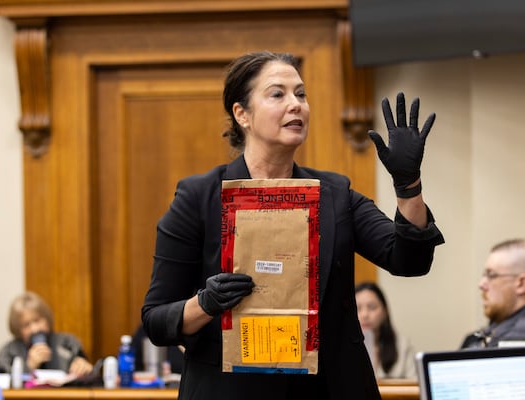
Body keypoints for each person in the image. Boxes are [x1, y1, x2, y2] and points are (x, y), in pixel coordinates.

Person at [141, 51, 444, 400]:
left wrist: (408, 186)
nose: (296, 104)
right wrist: (206, 303)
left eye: (300, 94)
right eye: (277, 94)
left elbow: (410, 261)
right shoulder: (199, 197)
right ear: (242, 114)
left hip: (329, 388)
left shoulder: (335, 195)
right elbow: (157, 320)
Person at [460, 239, 525, 349]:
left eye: (492, 275)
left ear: (521, 284)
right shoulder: (490, 334)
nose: (481, 284)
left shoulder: (516, 344)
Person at [0, 291, 94, 376]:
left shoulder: (68, 343)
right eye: (26, 325)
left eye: (37, 320)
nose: (35, 329)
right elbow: (1, 383)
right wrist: (28, 367)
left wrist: (84, 369)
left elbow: (86, 373)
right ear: (18, 329)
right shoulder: (9, 352)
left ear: (47, 318)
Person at [355, 282, 416, 380]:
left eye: (372, 307)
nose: (365, 315)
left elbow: (413, 387)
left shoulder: (402, 346)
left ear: (385, 311)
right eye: (357, 308)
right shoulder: (341, 348)